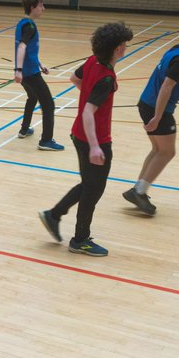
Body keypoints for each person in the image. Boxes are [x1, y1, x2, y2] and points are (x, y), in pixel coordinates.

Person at [37, 22, 135, 257]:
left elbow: (74, 78)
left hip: (78, 134)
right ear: (118, 48)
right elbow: (88, 112)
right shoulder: (107, 77)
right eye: (124, 45)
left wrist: (88, 98)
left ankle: (54, 215)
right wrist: (95, 146)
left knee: (88, 185)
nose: (125, 48)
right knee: (93, 189)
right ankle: (80, 240)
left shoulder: (92, 61)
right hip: (95, 139)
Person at [125, 16, 179, 216]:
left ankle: (138, 189)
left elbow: (173, 84)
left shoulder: (176, 50)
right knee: (167, 152)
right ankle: (139, 191)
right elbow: (166, 87)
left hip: (147, 104)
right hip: (157, 108)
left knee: (158, 149)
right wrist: (157, 117)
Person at [13, 0, 64, 151]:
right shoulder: (30, 26)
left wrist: (40, 64)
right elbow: (22, 46)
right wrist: (19, 70)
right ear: (32, 8)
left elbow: (29, 50)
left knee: (32, 97)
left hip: (29, 71)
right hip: (29, 74)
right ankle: (46, 141)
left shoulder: (23, 23)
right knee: (49, 105)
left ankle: (24, 129)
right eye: (41, 5)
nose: (44, 8)